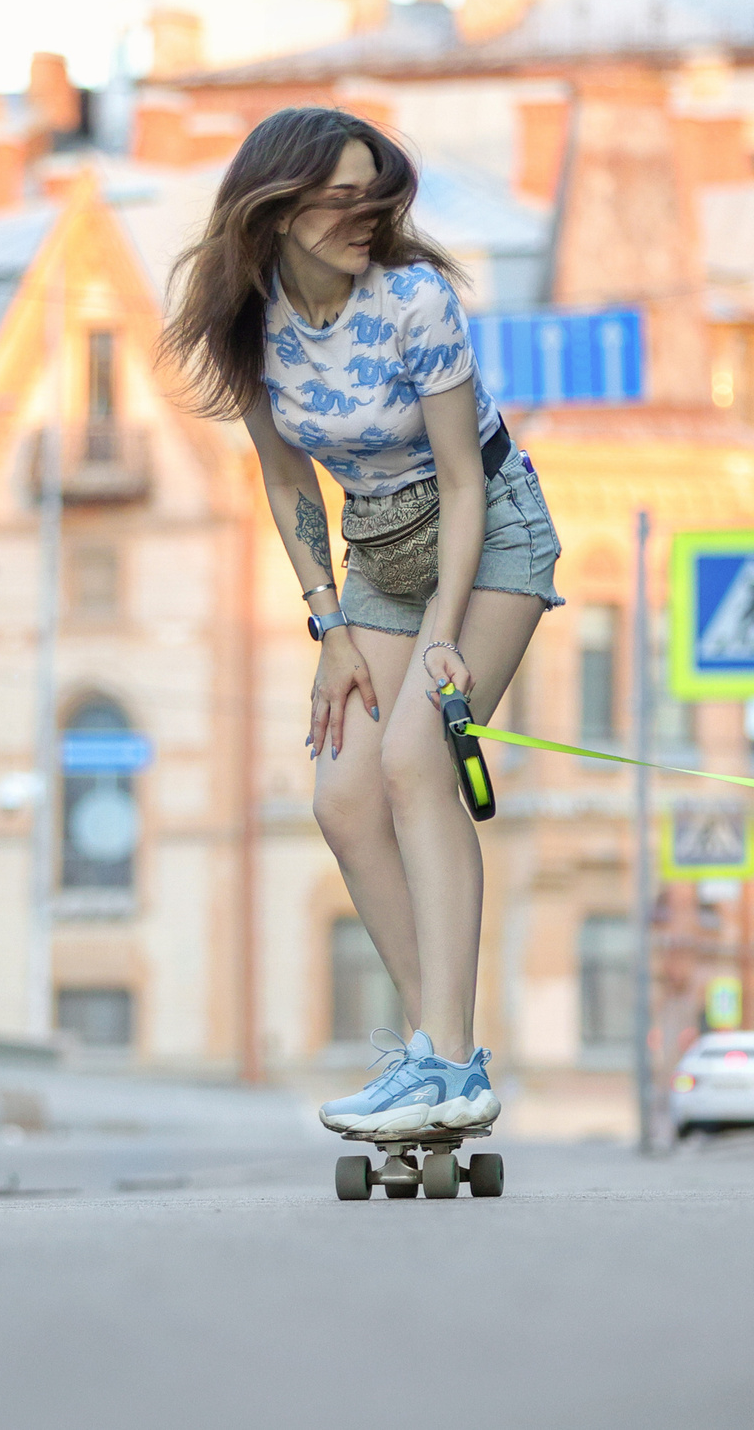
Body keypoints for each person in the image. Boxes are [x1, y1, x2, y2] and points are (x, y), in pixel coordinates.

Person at [159, 106, 563, 1139]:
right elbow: (287, 480)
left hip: (490, 535)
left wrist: (439, 638)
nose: (363, 216)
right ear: (274, 206)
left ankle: (449, 1063)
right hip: (376, 554)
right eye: (339, 199)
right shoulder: (247, 321)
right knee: (343, 795)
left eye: (375, 197)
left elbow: (467, 484)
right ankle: (435, 1052)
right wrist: (329, 627)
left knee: (413, 760)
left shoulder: (414, 302)